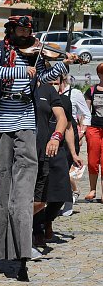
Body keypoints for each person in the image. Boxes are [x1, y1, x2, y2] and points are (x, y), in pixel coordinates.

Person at [0, 15, 77, 281]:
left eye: (29, 31)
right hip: (0, 124)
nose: (26, 35)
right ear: (11, 31)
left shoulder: (35, 54)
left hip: (26, 123)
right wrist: (24, 70)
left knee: (23, 197)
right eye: (21, 30)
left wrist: (62, 65)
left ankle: (22, 256)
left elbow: (43, 76)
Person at [31, 77, 80, 252]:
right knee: (39, 194)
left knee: (61, 192)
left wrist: (73, 153)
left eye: (55, 82)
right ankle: (37, 231)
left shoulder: (63, 100)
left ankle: (47, 220)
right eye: (49, 82)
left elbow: (67, 126)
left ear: (60, 82)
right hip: (38, 150)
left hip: (57, 149)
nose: (51, 86)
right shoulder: (33, 95)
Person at [60, 75, 91, 215]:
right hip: (53, 132)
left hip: (71, 132)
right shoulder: (48, 93)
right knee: (56, 169)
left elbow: (86, 114)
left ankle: (69, 199)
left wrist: (82, 132)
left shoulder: (75, 93)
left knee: (66, 168)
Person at [83, 63, 103, 202]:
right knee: (92, 160)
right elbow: (86, 112)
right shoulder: (91, 90)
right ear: (99, 75)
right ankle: (92, 189)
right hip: (94, 128)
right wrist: (83, 128)